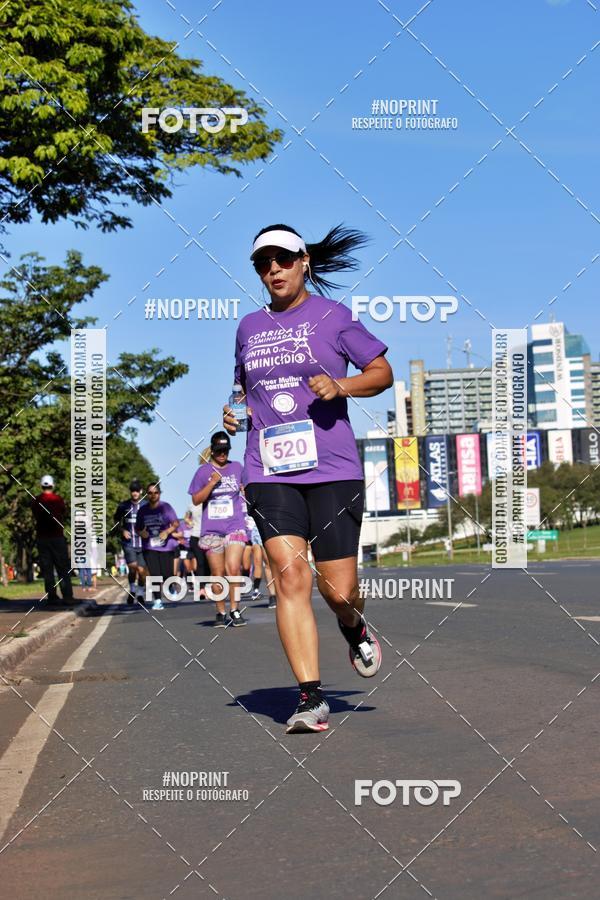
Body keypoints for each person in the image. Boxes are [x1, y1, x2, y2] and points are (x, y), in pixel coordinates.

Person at [224, 224, 393, 733]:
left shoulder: (333, 316)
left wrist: (340, 383)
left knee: (337, 591)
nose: (272, 268)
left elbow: (381, 373)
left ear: (304, 263)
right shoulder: (249, 327)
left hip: (332, 470)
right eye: (262, 262)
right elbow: (240, 388)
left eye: (281, 258)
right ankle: (310, 698)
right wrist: (233, 413)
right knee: (289, 574)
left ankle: (354, 624)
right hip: (269, 470)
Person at [188, 432, 249, 627]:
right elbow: (196, 500)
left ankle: (235, 610)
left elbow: (247, 488)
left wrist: (244, 490)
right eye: (218, 451)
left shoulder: (237, 467)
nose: (222, 454)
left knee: (233, 568)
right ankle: (220, 612)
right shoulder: (203, 472)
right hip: (212, 530)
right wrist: (212, 482)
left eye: (225, 450)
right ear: (212, 451)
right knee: (217, 572)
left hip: (235, 525)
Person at [31, 474, 75, 607]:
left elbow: (34, 513)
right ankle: (67, 596)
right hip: (57, 537)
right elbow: (64, 511)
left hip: (42, 538)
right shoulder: (58, 499)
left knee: (48, 570)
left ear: (41, 485)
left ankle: (52, 596)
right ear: (52, 485)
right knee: (62, 568)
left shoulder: (36, 500)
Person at [135, 482, 179, 611]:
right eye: (150, 493)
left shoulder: (166, 507)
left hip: (166, 546)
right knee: (155, 574)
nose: (153, 495)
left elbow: (175, 523)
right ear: (147, 495)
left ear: (159, 494)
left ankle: (170, 585)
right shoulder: (143, 510)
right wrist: (141, 533)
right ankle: (158, 600)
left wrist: (166, 532)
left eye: (156, 493)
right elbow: (137, 528)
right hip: (149, 546)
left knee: (166, 574)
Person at [114, 480, 147, 605]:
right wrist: (122, 530)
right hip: (129, 543)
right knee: (133, 568)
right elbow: (116, 521)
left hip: (143, 544)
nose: (135, 493)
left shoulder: (145, 505)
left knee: (142, 571)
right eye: (133, 491)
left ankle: (139, 594)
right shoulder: (123, 506)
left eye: (137, 491)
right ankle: (132, 590)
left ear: (141, 491)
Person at [242, 512, 277, 608]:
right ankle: (272, 595)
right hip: (258, 529)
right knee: (266, 563)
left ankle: (281, 592)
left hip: (275, 523)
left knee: (274, 563)